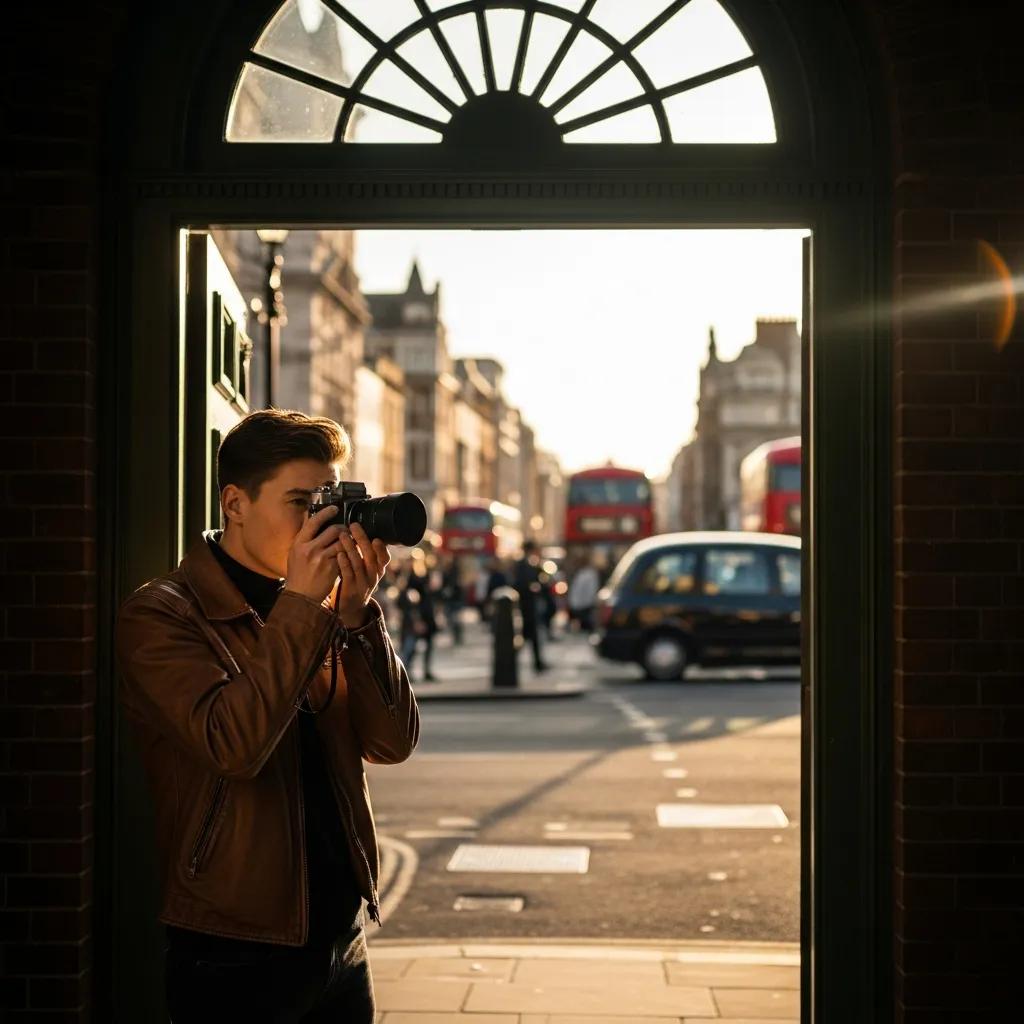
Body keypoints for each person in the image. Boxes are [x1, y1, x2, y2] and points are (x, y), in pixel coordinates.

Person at [114, 409, 420, 1024]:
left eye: (329, 502)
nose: (322, 524)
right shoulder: (163, 615)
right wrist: (306, 604)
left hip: (341, 939)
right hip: (236, 952)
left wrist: (358, 617)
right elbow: (234, 745)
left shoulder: (324, 608)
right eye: (302, 502)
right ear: (234, 504)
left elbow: (391, 743)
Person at [397, 550, 439, 681]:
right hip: (415, 617)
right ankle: (405, 672)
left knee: (427, 645)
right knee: (410, 646)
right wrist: (417, 620)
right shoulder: (409, 579)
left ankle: (426, 670)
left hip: (427, 615)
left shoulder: (424, 575)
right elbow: (409, 603)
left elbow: (431, 597)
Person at [513, 540, 549, 673]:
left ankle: (538, 663)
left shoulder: (532, 563)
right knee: (525, 637)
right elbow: (520, 584)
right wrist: (532, 588)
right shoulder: (522, 565)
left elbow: (540, 579)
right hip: (525, 606)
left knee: (531, 637)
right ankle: (512, 662)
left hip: (530, 606)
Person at [567, 559, 601, 632]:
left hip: (585, 604)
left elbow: (591, 590)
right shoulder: (582, 574)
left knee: (586, 624)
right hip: (580, 603)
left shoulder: (589, 574)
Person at [439, 553, 464, 646]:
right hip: (449, 600)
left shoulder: (455, 571)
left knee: (455, 619)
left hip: (456, 600)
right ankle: (455, 636)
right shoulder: (445, 572)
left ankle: (457, 636)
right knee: (451, 618)